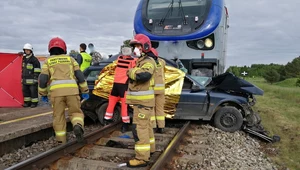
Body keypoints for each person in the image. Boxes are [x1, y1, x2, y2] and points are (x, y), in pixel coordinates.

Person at [38, 37, 90, 144]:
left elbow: (43, 79)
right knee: (76, 112)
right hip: (72, 91)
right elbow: (80, 76)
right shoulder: (71, 59)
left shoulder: (48, 61)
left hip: (56, 94)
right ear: (64, 49)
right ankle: (77, 125)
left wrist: (43, 93)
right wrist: (85, 91)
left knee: (58, 116)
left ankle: (61, 141)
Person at [126, 34, 156, 167]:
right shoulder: (142, 61)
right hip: (143, 103)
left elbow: (144, 75)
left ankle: (142, 158)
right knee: (146, 127)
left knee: (139, 129)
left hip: (143, 104)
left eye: (137, 46)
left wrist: (130, 72)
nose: (135, 49)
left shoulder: (148, 62)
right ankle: (150, 150)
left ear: (145, 46)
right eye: (134, 46)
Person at [104, 47, 137, 133]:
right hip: (124, 86)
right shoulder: (132, 61)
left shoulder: (119, 59)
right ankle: (125, 125)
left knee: (111, 103)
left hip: (115, 85)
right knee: (124, 106)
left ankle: (106, 120)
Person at [148, 48, 166, 133]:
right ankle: (161, 126)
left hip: (152, 89)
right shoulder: (161, 62)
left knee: (151, 108)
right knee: (160, 109)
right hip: (161, 89)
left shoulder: (149, 62)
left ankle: (153, 126)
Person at [21, 43, 41, 108]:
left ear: (31, 51)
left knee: (33, 92)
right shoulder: (23, 59)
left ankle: (34, 103)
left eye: (28, 50)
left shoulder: (34, 60)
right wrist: (19, 55)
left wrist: (35, 78)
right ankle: (27, 103)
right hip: (25, 80)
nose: (26, 51)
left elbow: (37, 69)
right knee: (25, 92)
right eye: (25, 50)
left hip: (32, 80)